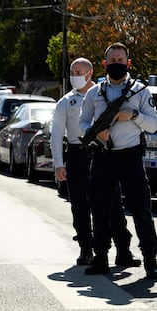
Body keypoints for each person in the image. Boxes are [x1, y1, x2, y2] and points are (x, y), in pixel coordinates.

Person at [52, 57, 140, 268]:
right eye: (72, 71)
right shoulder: (66, 101)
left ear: (89, 73)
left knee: (113, 204)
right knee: (80, 204)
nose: (75, 75)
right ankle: (86, 248)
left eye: (79, 71)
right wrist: (58, 164)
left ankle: (123, 250)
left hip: (103, 153)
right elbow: (56, 133)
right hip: (77, 153)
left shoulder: (103, 95)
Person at [79, 42, 157, 278]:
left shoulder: (140, 91)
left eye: (120, 60)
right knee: (100, 208)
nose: (116, 64)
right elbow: (82, 125)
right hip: (103, 157)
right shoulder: (94, 93)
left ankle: (150, 260)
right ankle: (100, 257)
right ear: (105, 64)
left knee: (141, 209)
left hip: (131, 157)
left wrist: (134, 115)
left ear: (128, 63)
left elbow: (154, 125)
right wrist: (95, 132)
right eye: (112, 61)